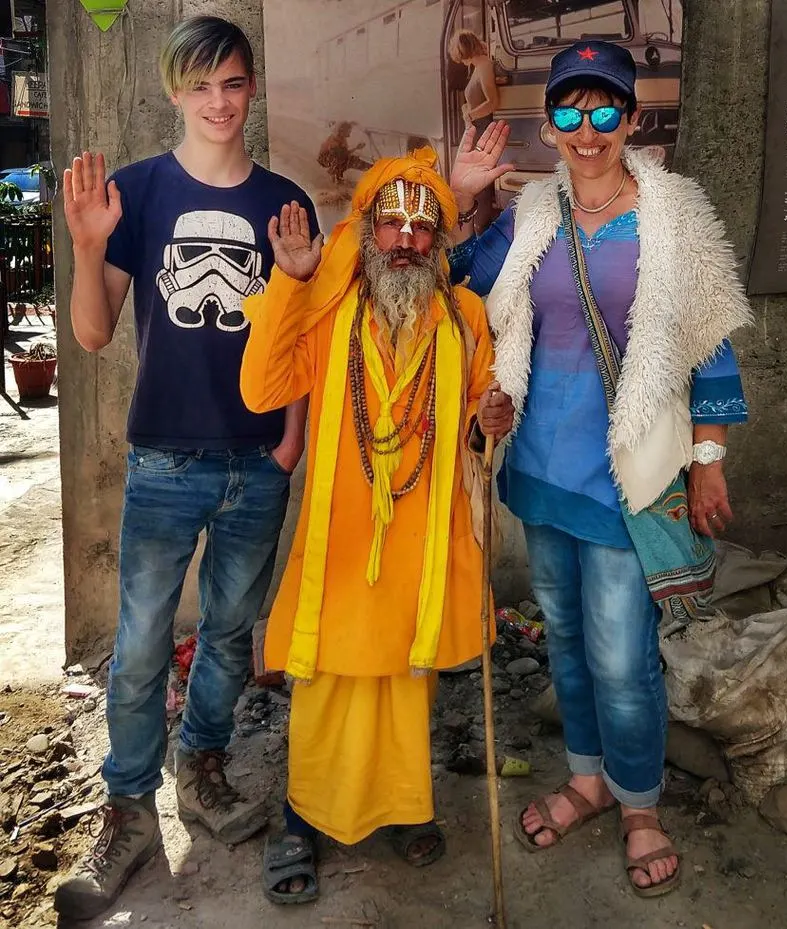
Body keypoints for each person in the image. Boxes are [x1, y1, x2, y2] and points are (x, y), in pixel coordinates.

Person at [447, 41, 753, 898]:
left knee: (623, 654)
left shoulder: (673, 217)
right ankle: (587, 778)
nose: (587, 131)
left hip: (628, 475)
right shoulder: (529, 216)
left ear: (632, 119)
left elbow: (710, 345)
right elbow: (459, 288)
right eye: (571, 112)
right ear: (549, 125)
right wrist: (462, 199)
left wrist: (709, 459)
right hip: (540, 471)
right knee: (570, 642)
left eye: (605, 110)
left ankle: (639, 803)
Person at [53, 16, 317, 920]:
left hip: (258, 463)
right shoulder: (135, 194)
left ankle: (201, 761)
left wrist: (291, 437)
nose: (218, 101)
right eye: (200, 85)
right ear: (175, 91)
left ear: (252, 89)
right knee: (137, 646)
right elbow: (91, 334)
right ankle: (128, 805)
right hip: (164, 457)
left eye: (233, 83)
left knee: (232, 633)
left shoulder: (286, 203)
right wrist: (89, 246)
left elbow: (300, 338)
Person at [239, 147, 513, 903]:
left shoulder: (465, 318)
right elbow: (262, 388)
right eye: (388, 224)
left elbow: (484, 423)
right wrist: (291, 283)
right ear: (365, 233)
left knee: (403, 683)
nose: (404, 241)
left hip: (421, 545)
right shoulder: (327, 311)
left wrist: (494, 418)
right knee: (328, 685)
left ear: (440, 244)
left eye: (421, 230)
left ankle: (399, 806)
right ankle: (301, 816)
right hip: (341, 546)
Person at [448, 29, 501, 233]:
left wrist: (470, 115)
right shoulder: (478, 67)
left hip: (482, 128)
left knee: (480, 189)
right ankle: (476, 229)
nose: (459, 61)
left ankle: (480, 230)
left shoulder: (484, 65)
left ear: (463, 50)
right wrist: (467, 109)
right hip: (476, 128)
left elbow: (493, 102)